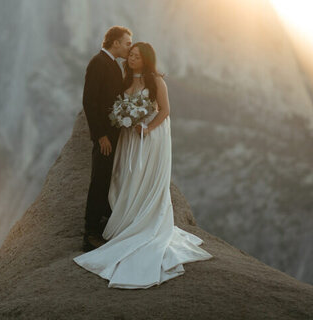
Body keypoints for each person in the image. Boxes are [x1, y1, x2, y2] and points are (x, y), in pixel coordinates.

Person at [74, 41, 213, 288]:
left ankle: (144, 221)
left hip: (151, 136)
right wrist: (123, 118)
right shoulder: (125, 79)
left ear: (146, 58)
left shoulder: (156, 81)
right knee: (127, 177)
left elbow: (165, 110)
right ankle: (127, 218)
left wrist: (147, 127)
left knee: (145, 176)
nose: (131, 58)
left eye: (136, 55)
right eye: (130, 55)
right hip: (130, 137)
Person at [81, 26, 133, 252]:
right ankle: (90, 233)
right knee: (99, 181)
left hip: (114, 135)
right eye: (127, 43)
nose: (130, 47)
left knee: (108, 179)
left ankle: (103, 223)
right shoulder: (98, 63)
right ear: (115, 43)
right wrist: (101, 135)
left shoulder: (111, 64)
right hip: (105, 137)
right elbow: (89, 102)